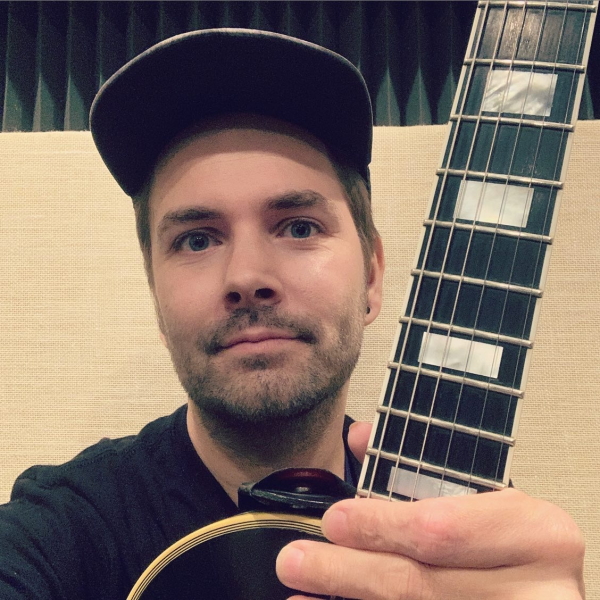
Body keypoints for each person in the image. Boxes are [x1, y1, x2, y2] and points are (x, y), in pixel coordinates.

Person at [0, 28, 584, 600]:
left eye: (299, 227)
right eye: (197, 239)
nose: (246, 276)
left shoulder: (453, 513)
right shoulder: (68, 526)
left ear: (372, 275)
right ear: (157, 298)